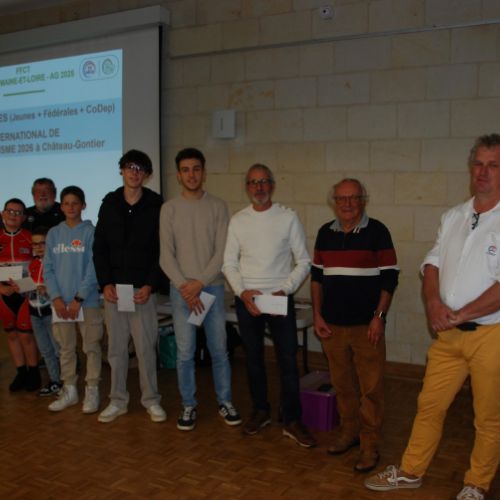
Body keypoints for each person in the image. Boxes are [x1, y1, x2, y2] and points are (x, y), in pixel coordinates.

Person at [364, 134, 500, 500]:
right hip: (449, 336)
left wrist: (459, 313)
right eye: (478, 164)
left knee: (489, 417)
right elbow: (432, 264)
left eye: (493, 165)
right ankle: (411, 470)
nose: (483, 172)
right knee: (429, 405)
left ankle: (476, 483)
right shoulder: (455, 216)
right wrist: (433, 304)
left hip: (492, 335)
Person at [222, 163, 317, 448]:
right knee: (253, 359)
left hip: (279, 298)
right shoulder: (238, 221)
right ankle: (260, 411)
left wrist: (284, 289)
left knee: (288, 360)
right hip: (247, 300)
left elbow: (304, 261)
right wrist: (242, 293)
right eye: (253, 182)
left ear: (272, 186)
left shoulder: (288, 217)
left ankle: (292, 419)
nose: (259, 187)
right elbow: (229, 263)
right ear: (247, 187)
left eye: (264, 181)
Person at [311, 178, 399, 472]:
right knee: (342, 385)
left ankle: (370, 444)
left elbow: (390, 278)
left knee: (371, 389)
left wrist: (379, 317)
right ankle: (349, 433)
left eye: (353, 198)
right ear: (334, 202)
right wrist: (317, 315)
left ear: (363, 200)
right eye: (341, 198)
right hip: (332, 327)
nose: (347, 204)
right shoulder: (325, 233)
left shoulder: (378, 232)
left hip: (367, 327)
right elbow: (317, 279)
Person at [160, 147, 241, 431]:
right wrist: (185, 287)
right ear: (178, 175)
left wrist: (199, 284)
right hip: (181, 291)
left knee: (219, 350)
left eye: (196, 169)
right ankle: (188, 404)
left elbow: (222, 252)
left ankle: (225, 401)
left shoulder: (218, 206)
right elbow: (165, 255)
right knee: (185, 353)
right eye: (185, 170)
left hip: (212, 289)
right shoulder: (169, 209)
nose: (191, 175)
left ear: (204, 173)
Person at [93, 149, 166, 423]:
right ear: (122, 171)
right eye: (130, 167)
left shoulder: (156, 204)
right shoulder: (109, 203)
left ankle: (151, 400)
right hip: (114, 291)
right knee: (115, 349)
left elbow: (161, 250)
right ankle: (118, 400)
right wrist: (105, 283)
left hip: (142, 291)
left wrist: (150, 284)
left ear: (147, 174)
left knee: (146, 348)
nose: (134, 172)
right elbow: (99, 247)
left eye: (140, 168)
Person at [43, 186, 103, 413]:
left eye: (75, 203)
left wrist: (79, 297)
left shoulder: (91, 232)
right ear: (61, 207)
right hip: (60, 303)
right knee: (65, 348)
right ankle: (69, 390)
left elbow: (94, 268)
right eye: (66, 203)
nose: (70, 207)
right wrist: (56, 298)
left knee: (91, 347)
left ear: (83, 205)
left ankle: (92, 389)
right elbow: (48, 269)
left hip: (86, 302)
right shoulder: (54, 234)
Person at [0, 198, 41, 392]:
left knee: (26, 335)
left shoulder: (29, 237)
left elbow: (39, 265)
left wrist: (25, 286)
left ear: (24, 217)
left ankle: (33, 372)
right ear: (2, 213)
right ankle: (20, 372)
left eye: (18, 213)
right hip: (3, 294)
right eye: (10, 211)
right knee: (12, 334)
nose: (13, 215)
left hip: (26, 292)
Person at [28, 225, 62, 396]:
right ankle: (54, 381)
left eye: (43, 243)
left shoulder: (56, 263)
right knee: (46, 350)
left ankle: (66, 381)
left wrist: (47, 290)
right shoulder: (32, 264)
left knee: (58, 349)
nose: (39, 247)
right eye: (35, 244)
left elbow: (62, 287)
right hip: (34, 312)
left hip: (51, 312)